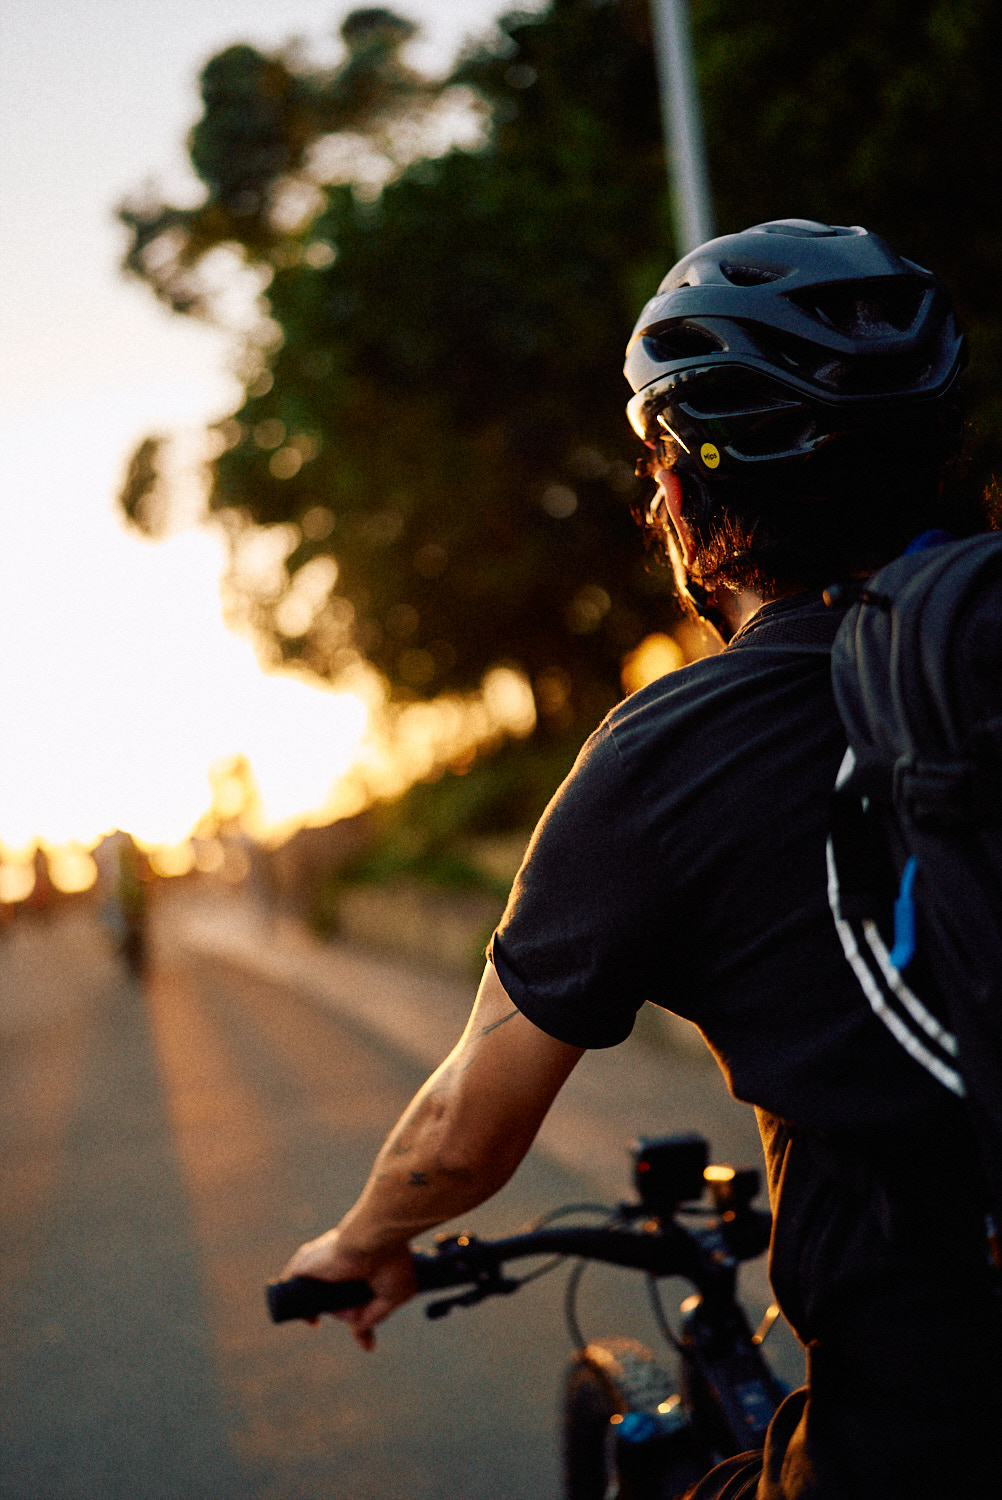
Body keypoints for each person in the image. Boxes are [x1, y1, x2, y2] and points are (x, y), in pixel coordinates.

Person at [281, 220, 1000, 1497]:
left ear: (682, 490)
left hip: (930, 1431)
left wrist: (363, 1238)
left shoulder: (670, 755)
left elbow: (466, 1128)